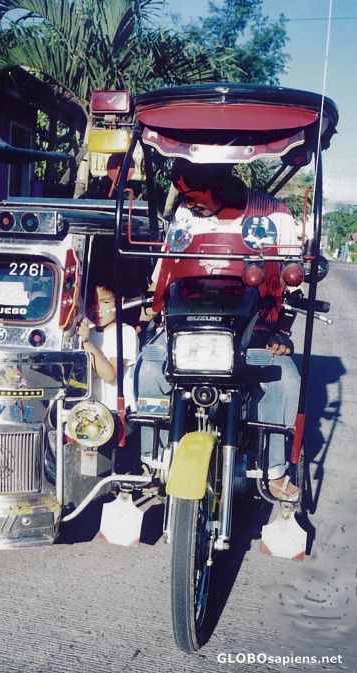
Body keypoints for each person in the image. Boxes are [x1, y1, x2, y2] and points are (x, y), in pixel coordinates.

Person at [139, 160, 301, 501]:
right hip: (186, 330)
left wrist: (280, 332)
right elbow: (167, 265)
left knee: (285, 379)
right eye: (184, 195)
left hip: (251, 330)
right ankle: (151, 463)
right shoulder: (186, 213)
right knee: (148, 367)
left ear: (221, 186)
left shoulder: (277, 214)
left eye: (193, 194)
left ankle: (274, 470)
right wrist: (151, 305)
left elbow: (292, 280)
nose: (187, 201)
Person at [77, 284, 139, 412]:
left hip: (115, 412)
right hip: (89, 409)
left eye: (105, 302)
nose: (97, 308)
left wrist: (87, 343)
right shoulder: (88, 332)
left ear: (120, 302)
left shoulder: (126, 333)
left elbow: (109, 375)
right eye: (92, 302)